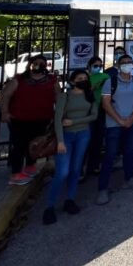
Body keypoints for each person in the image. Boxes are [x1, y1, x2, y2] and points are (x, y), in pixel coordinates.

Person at [43, 69, 98, 225]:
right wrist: (60, 141)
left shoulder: (90, 95)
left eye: (85, 78)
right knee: (62, 172)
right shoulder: (64, 96)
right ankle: (50, 206)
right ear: (72, 81)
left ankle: (70, 199)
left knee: (75, 169)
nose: (83, 80)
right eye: (79, 78)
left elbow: (94, 116)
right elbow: (58, 119)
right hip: (66, 137)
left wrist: (74, 122)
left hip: (83, 134)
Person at [0, 54, 58, 186]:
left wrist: (58, 114)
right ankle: (16, 174)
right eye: (36, 63)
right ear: (30, 65)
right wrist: (5, 112)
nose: (39, 65)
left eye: (42, 63)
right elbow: (6, 96)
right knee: (19, 146)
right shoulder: (19, 79)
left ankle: (30, 167)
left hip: (42, 118)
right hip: (20, 119)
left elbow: (58, 97)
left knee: (36, 143)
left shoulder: (51, 80)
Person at [98, 54, 133, 205]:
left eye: (129, 62)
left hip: (132, 123)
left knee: (130, 152)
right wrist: (120, 120)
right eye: (123, 63)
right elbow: (106, 104)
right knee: (110, 156)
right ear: (118, 66)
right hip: (114, 125)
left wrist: (132, 118)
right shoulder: (109, 81)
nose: (126, 65)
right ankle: (103, 188)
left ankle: (130, 178)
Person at [84, 56, 110, 177]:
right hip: (86, 111)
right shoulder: (83, 78)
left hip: (101, 109)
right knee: (85, 139)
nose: (98, 68)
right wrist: (90, 89)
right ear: (89, 66)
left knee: (98, 138)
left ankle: (94, 165)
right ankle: (82, 167)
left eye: (100, 66)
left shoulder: (105, 76)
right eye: (95, 65)